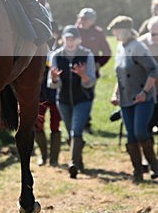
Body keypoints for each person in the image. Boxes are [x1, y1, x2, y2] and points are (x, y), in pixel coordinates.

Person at [107, 15, 158, 183]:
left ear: (124, 30)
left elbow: (153, 70)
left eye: (115, 30)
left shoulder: (137, 47)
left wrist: (145, 91)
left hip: (142, 98)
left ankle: (154, 166)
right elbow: (120, 75)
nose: (114, 33)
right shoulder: (120, 47)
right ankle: (137, 171)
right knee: (130, 136)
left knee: (140, 131)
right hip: (126, 99)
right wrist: (115, 94)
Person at [48, 25, 96, 178]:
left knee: (76, 131)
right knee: (71, 134)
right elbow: (52, 84)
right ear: (62, 39)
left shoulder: (87, 55)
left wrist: (83, 76)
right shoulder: (56, 56)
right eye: (67, 38)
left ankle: (73, 164)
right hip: (63, 101)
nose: (70, 42)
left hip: (83, 99)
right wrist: (54, 79)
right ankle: (79, 161)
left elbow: (91, 82)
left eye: (72, 39)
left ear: (79, 40)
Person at [34, 54, 62, 166]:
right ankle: (43, 155)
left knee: (55, 126)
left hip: (56, 94)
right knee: (37, 125)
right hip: (40, 95)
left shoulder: (59, 52)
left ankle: (54, 159)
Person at [137, 17, 158, 139]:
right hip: (146, 91)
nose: (157, 37)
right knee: (146, 126)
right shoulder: (141, 44)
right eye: (154, 34)